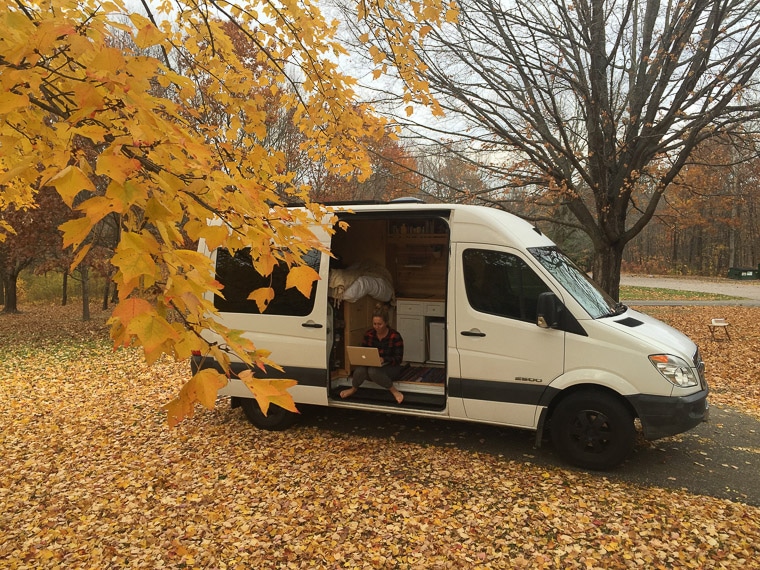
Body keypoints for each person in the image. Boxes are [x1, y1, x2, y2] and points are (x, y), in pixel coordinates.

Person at [340, 303, 405, 404]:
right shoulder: (369, 334)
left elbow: (398, 359)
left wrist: (384, 359)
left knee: (373, 371)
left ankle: (394, 391)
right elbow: (364, 352)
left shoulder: (395, 336)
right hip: (371, 366)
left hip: (391, 367)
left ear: (386, 323)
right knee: (360, 370)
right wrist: (365, 359)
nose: (377, 327)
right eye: (375, 324)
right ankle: (353, 388)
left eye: (380, 324)